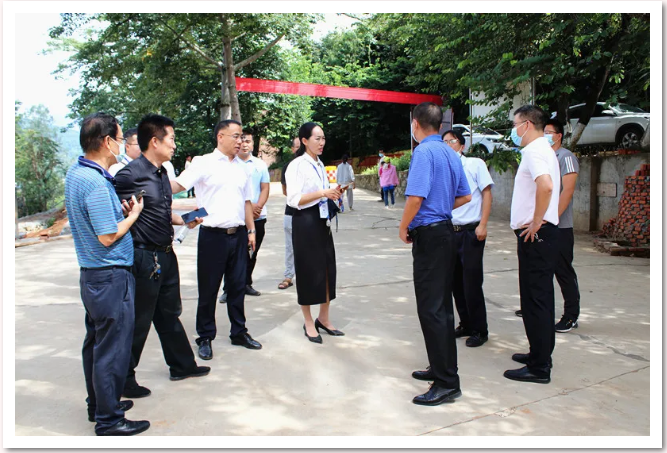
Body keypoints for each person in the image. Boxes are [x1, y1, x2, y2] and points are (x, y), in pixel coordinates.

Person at [64, 112, 149, 436]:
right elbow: (108, 236)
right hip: (110, 275)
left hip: (93, 276)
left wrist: (119, 214)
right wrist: (134, 215)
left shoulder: (77, 173)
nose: (122, 145)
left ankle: (99, 405)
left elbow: (97, 220)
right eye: (119, 138)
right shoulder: (96, 183)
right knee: (112, 350)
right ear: (106, 141)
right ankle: (109, 420)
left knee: (96, 344)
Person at [114, 114, 210, 399]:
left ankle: (181, 365)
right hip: (144, 258)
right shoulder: (129, 175)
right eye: (171, 139)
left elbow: (161, 213)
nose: (174, 145)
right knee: (139, 320)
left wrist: (186, 220)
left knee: (169, 314)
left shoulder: (161, 174)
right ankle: (124, 379)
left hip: (166, 255)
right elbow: (117, 215)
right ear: (154, 141)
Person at [399, 103, 471, 406]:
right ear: (440, 126)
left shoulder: (424, 152)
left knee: (432, 309)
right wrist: (440, 208)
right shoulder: (450, 152)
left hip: (430, 237)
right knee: (441, 306)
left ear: (416, 124)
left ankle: (446, 383)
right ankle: (440, 367)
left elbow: (416, 197)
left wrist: (403, 226)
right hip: (445, 233)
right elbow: (465, 195)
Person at [171, 120, 261, 360]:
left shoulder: (242, 167)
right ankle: (205, 336)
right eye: (235, 136)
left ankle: (239, 332)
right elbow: (179, 184)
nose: (240, 141)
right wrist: (150, 181)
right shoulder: (204, 162)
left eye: (242, 137)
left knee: (237, 287)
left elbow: (247, 202)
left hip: (238, 235)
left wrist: (251, 231)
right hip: (212, 237)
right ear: (220, 137)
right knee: (209, 289)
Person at [504, 105, 560, 385]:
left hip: (535, 235)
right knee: (539, 297)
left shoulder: (534, 151)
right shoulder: (544, 150)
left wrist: (537, 220)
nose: (514, 130)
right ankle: (539, 353)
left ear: (526, 124)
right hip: (541, 235)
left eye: (515, 124)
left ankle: (539, 367)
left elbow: (546, 186)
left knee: (535, 299)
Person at [285, 122, 345, 344]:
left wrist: (333, 193)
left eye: (323, 138)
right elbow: (294, 199)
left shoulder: (320, 164)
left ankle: (324, 318)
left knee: (327, 269)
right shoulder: (297, 165)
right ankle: (308, 321)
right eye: (317, 138)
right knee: (308, 271)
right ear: (304, 140)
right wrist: (322, 193)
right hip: (305, 221)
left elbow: (323, 194)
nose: (322, 143)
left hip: (322, 221)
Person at [442, 129, 494, 348]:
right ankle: (465, 323)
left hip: (471, 231)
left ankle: (480, 330)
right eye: (444, 142)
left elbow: (487, 193)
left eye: (451, 141)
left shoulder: (475, 164)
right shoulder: (443, 169)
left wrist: (483, 224)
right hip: (450, 231)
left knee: (471, 282)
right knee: (455, 282)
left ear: (462, 146)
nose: (447, 145)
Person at [219, 130, 270, 301]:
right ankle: (228, 289)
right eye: (242, 140)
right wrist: (248, 209)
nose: (245, 144)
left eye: (248, 141)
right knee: (232, 255)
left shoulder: (260, 165)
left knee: (251, 253)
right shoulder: (230, 164)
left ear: (253, 144)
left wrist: (258, 207)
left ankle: (246, 283)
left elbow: (265, 188)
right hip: (237, 218)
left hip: (258, 216)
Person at [546, 118, 581, 332]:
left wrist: (554, 218)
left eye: (549, 132)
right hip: (542, 225)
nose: (545, 136)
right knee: (542, 270)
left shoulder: (565, 157)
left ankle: (571, 316)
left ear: (559, 136)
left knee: (563, 271)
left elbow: (567, 190)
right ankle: (540, 308)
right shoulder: (544, 157)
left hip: (560, 227)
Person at [278, 137, 300, 290]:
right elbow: (285, 191)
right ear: (292, 149)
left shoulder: (314, 166)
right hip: (291, 213)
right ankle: (288, 276)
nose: (299, 150)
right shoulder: (288, 167)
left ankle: (308, 275)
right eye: (297, 147)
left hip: (311, 215)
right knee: (290, 247)